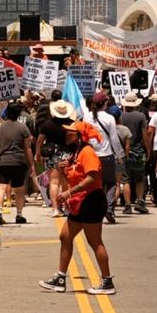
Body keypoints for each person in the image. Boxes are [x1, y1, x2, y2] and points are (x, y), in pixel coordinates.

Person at [39, 121, 115, 295]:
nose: (67, 136)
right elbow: (72, 180)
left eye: (71, 134)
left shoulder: (88, 153)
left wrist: (69, 192)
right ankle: (60, 277)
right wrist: (65, 172)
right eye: (67, 133)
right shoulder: (76, 153)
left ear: (80, 137)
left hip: (92, 200)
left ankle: (107, 281)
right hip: (81, 201)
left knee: (95, 242)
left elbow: (92, 178)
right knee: (65, 236)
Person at [83, 91, 124, 224]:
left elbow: (84, 136)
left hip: (91, 156)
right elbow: (114, 139)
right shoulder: (109, 118)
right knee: (111, 184)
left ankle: (93, 209)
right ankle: (109, 209)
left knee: (93, 184)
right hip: (106, 155)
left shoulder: (86, 117)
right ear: (105, 104)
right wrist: (120, 155)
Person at [0, 102, 36, 225]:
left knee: (1, 188)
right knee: (19, 189)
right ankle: (19, 214)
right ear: (18, 114)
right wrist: (31, 164)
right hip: (18, 161)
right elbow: (27, 147)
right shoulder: (23, 127)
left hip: (3, 161)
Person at [36, 100, 77, 217]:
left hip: (51, 154)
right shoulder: (72, 124)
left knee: (53, 183)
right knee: (67, 183)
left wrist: (38, 153)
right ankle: (67, 208)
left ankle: (55, 209)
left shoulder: (47, 124)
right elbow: (75, 140)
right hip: (68, 155)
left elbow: (39, 141)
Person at [119, 92, 149, 215]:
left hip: (124, 151)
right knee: (139, 179)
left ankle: (127, 205)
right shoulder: (141, 116)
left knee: (125, 180)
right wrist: (148, 150)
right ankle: (140, 201)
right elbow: (144, 135)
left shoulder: (121, 116)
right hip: (138, 151)